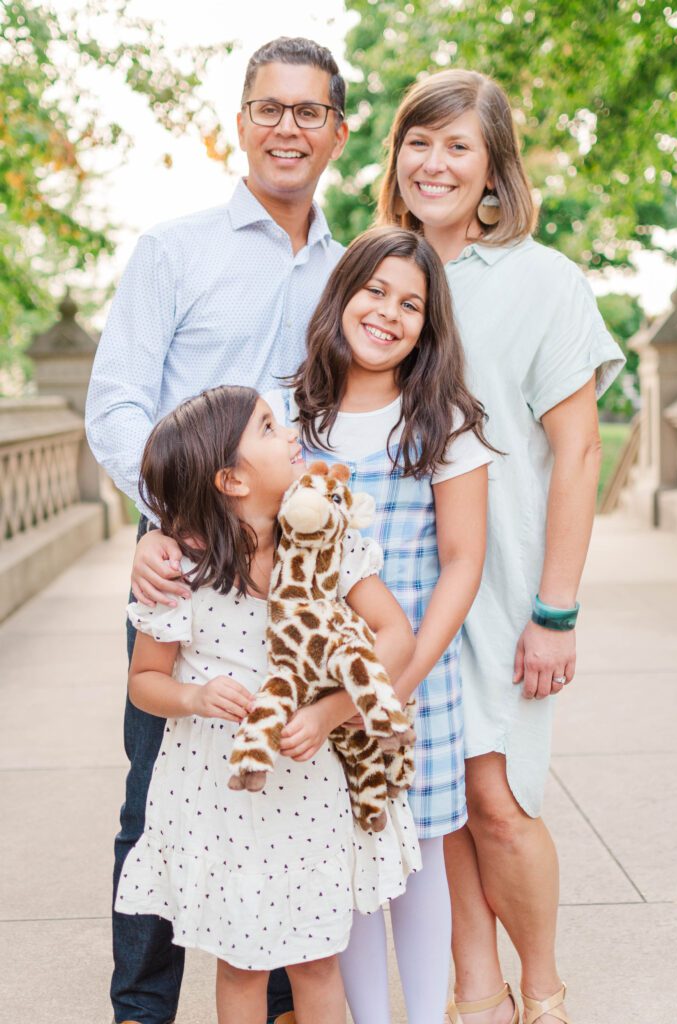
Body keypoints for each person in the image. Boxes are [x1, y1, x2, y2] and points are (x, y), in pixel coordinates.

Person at [134, 226, 495, 1024]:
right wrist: (158, 539)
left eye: (412, 304)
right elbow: (203, 482)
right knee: (334, 913)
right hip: (290, 711)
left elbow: (459, 566)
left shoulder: (439, 421)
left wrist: (378, 693)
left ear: (430, 324)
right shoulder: (290, 411)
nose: (390, 313)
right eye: (375, 291)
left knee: (414, 851)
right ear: (338, 297)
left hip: (396, 669)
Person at [85, 36, 349, 1024]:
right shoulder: (174, 250)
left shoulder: (347, 269)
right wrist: (169, 521)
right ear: (239, 123)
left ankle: (278, 1004)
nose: (287, 127)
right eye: (269, 109)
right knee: (159, 794)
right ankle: (143, 1010)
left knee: (287, 784)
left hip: (297, 573)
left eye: (307, 111)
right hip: (185, 570)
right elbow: (116, 403)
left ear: (335, 131)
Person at [375, 70, 625, 1024]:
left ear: (492, 172)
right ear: (395, 156)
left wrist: (555, 611)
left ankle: (546, 988)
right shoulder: (375, 274)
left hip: (503, 586)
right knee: (438, 802)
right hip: (399, 589)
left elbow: (578, 449)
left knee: (501, 805)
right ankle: (475, 991)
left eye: (457, 147)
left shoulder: (542, 280)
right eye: (418, 141)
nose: (433, 162)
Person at [118, 384, 420, 1024]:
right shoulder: (182, 568)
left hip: (307, 786)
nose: (289, 435)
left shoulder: (324, 547)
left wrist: (329, 712)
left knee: (316, 959)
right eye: (267, 426)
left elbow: (395, 636)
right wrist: (194, 695)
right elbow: (144, 679)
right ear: (230, 478)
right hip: (219, 791)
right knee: (242, 964)